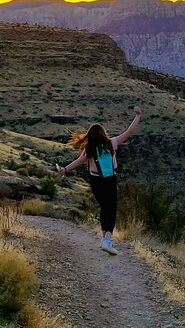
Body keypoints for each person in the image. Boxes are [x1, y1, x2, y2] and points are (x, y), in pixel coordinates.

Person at [56, 106, 142, 255]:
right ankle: (107, 240)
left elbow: (77, 162)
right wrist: (138, 116)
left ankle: (105, 240)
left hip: (96, 182)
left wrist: (64, 170)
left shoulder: (89, 149)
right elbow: (129, 132)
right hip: (110, 180)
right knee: (111, 209)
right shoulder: (112, 143)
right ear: (103, 133)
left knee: (104, 207)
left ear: (89, 135)